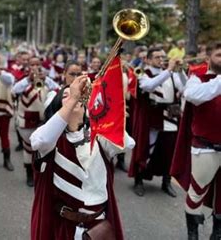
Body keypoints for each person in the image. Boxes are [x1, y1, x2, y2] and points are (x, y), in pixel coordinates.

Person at [30, 76, 133, 240]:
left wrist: (108, 113)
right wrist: (74, 98)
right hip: (64, 228)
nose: (73, 96)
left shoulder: (97, 136)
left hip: (98, 226)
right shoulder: (51, 140)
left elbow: (126, 144)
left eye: (76, 95)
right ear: (58, 108)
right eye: (66, 96)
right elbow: (39, 141)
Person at [171, 42, 221, 240]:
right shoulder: (197, 78)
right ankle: (193, 234)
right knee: (196, 193)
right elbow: (194, 96)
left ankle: (217, 233)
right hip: (205, 148)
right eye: (219, 55)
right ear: (209, 58)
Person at [128, 47, 185, 197]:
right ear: (147, 59)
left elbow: (184, 87)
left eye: (163, 56)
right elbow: (149, 86)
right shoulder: (142, 73)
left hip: (169, 116)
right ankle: (139, 180)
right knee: (146, 149)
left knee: (169, 151)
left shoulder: (171, 73)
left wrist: (180, 71)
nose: (161, 59)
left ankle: (166, 182)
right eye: (157, 57)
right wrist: (169, 70)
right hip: (151, 117)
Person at [12, 57, 59, 187]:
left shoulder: (47, 79)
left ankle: (42, 173)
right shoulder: (24, 80)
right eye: (32, 64)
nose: (35, 66)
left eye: (37, 64)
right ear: (28, 65)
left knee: (44, 149)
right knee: (28, 148)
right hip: (26, 121)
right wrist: (28, 79)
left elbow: (58, 89)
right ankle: (29, 174)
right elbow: (14, 90)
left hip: (44, 121)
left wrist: (46, 79)